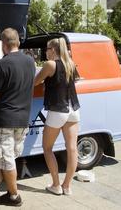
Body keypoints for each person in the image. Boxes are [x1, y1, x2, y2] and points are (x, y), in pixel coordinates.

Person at [0, 28, 36, 208]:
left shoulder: (2, 65)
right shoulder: (30, 62)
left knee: (6, 160)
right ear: (18, 43)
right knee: (6, 157)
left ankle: (14, 196)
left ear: (3, 45)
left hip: (4, 119)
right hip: (23, 119)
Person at [34, 37, 81, 196]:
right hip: (73, 109)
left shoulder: (50, 64)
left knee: (47, 148)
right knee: (72, 149)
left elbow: (35, 82)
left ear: (53, 50)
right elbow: (77, 79)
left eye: (47, 49)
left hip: (57, 110)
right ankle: (67, 186)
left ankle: (56, 185)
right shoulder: (71, 63)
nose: (45, 52)